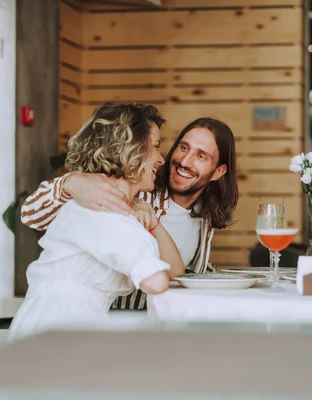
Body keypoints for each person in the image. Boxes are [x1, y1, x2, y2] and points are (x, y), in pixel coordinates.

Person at [20, 116, 239, 310]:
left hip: (159, 325)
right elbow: (30, 215)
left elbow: (182, 270)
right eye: (183, 147)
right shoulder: (130, 193)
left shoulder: (204, 217)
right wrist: (69, 183)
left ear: (218, 172)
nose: (184, 161)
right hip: (113, 318)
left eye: (201, 156)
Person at [9, 103, 186, 340]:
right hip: (61, 324)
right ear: (132, 151)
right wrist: (69, 181)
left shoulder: (123, 207)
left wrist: (150, 223)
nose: (162, 160)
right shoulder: (100, 206)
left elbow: (176, 271)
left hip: (67, 322)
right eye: (155, 147)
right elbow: (155, 282)